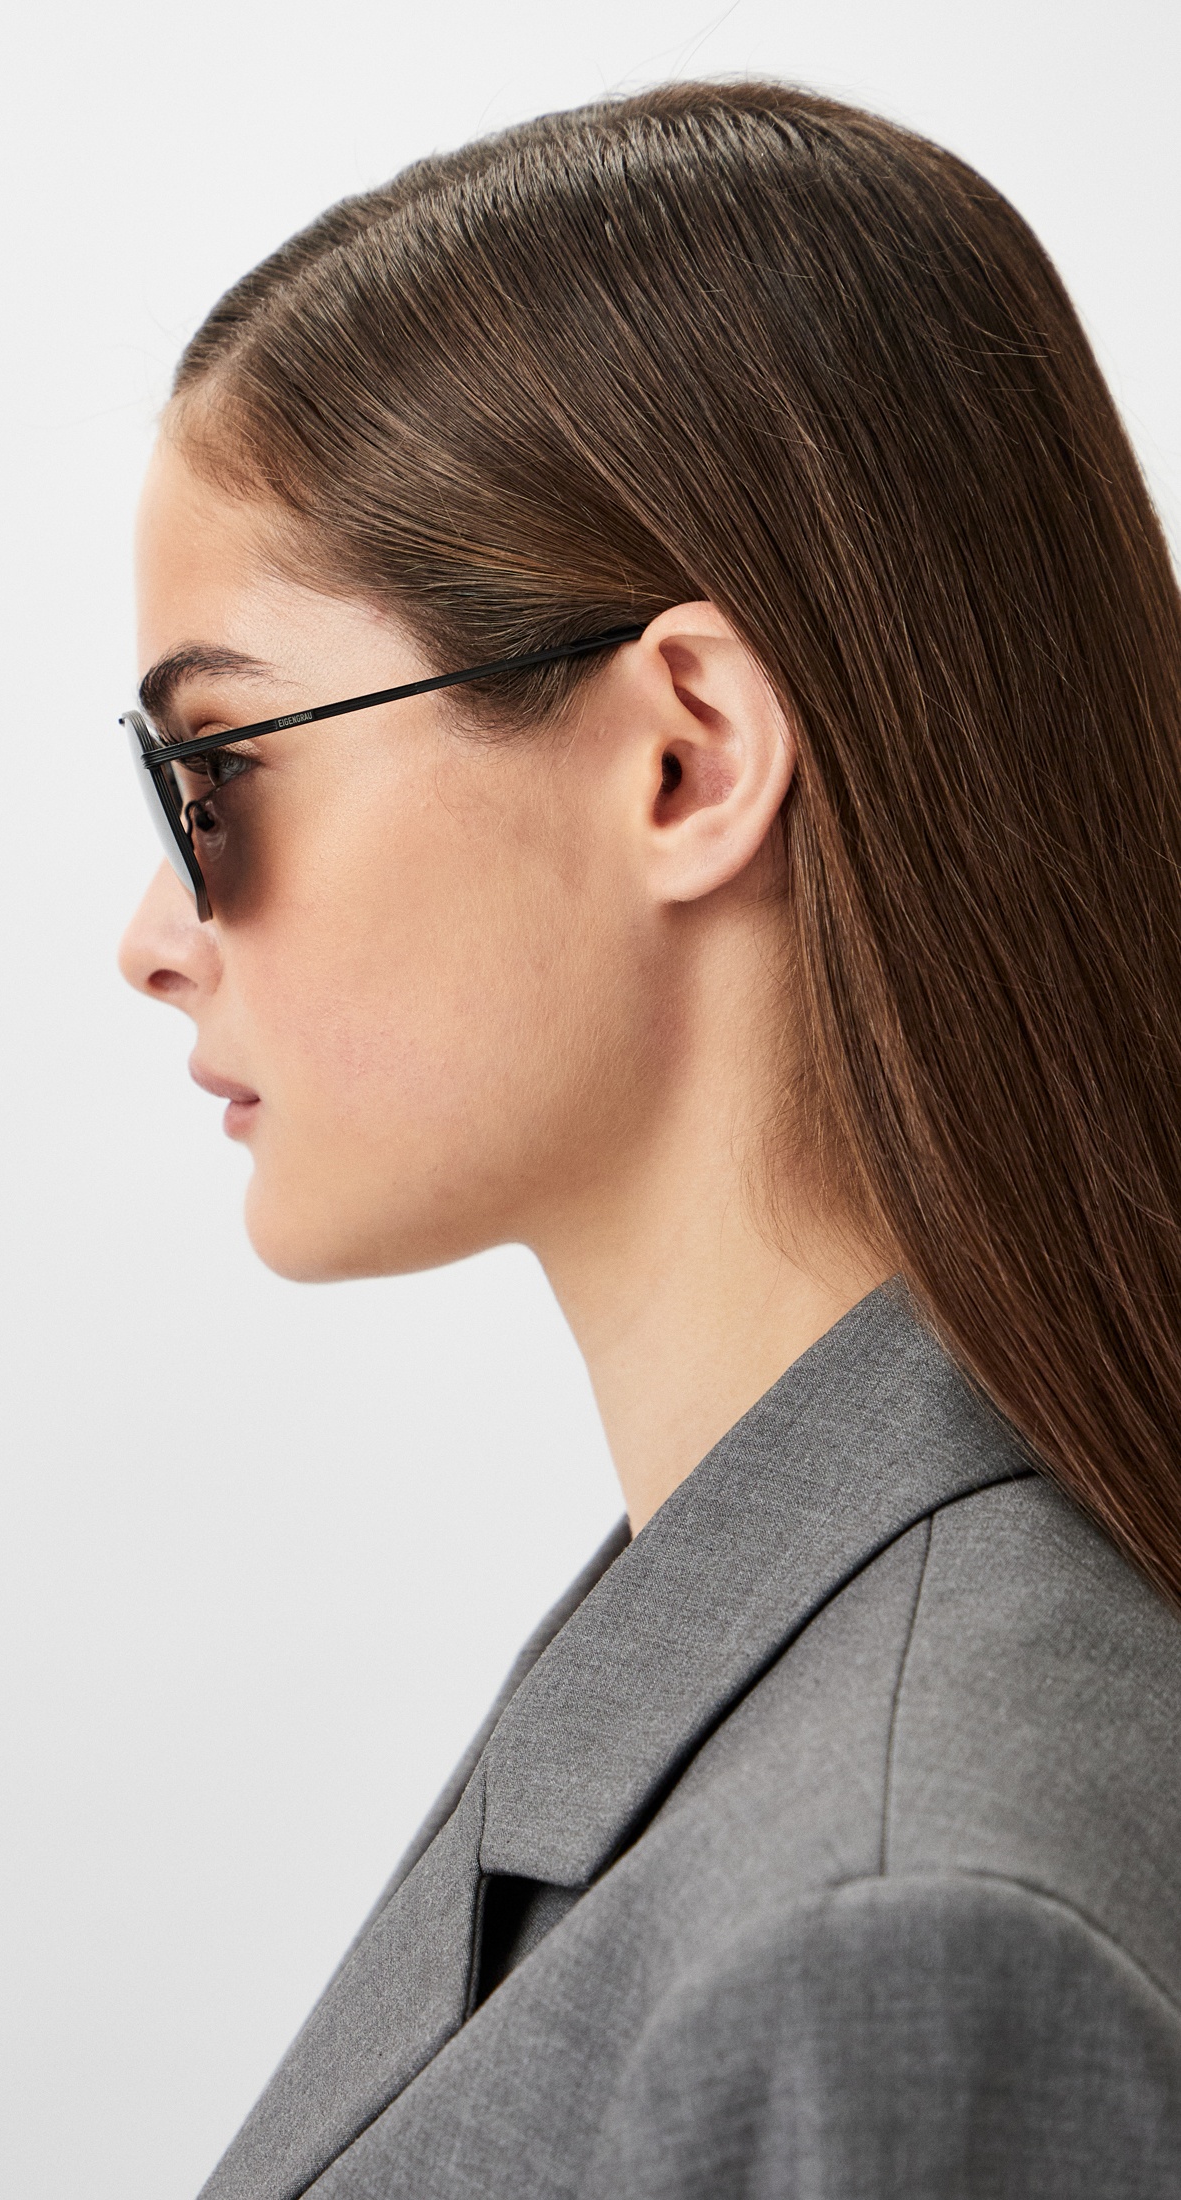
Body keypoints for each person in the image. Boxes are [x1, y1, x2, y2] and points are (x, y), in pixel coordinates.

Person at [116, 79, 1181, 2198]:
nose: (152, 934)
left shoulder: (898, 1941)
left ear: (688, 758)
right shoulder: (758, 1637)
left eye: (215, 768)